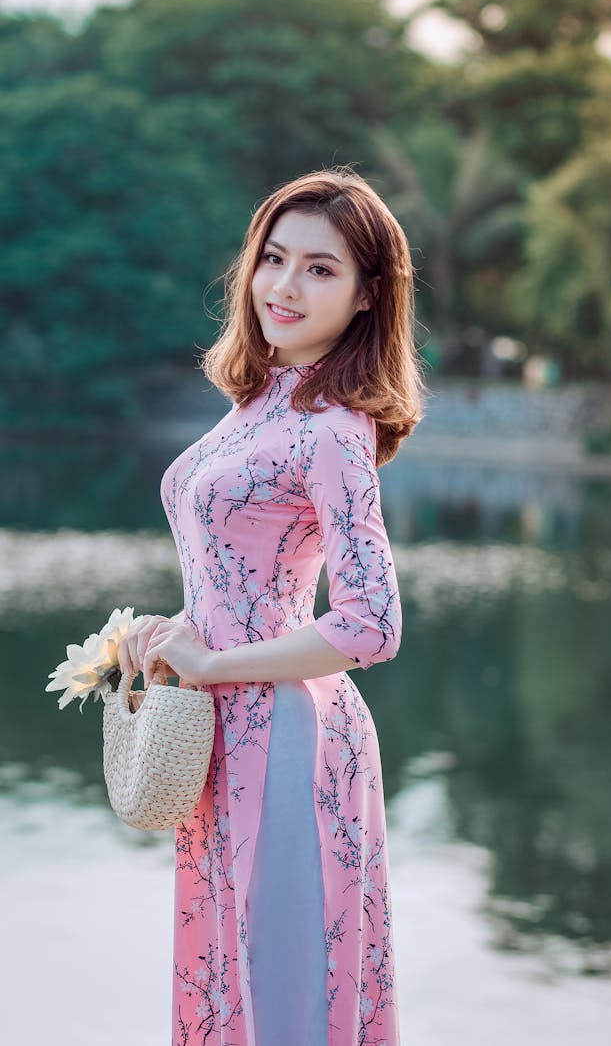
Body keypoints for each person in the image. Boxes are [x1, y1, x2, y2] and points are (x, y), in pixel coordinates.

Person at [117, 165, 426, 1046]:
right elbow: (227, 575)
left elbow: (372, 623)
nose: (285, 287)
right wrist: (170, 638)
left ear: (369, 296)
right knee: (231, 974)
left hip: (286, 737)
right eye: (275, 258)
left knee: (279, 986)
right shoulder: (264, 397)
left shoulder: (335, 425)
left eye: (321, 269)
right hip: (223, 726)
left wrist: (215, 662)